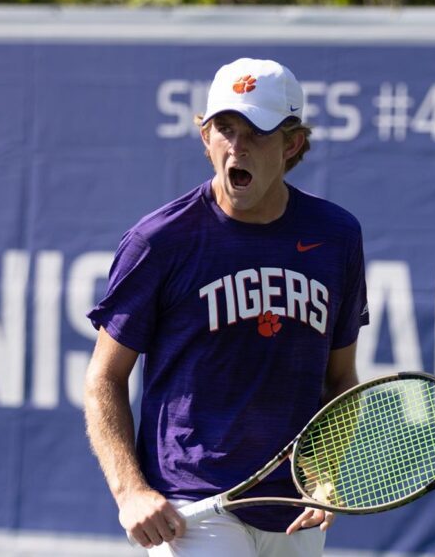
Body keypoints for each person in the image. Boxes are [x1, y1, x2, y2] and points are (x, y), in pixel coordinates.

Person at [84, 57, 370, 556]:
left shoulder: (336, 236)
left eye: (257, 133)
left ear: (291, 145)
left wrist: (325, 475)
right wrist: (130, 491)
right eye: (225, 129)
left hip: (294, 512)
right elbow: (104, 378)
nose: (237, 147)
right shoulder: (159, 241)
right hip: (193, 507)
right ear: (205, 137)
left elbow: (341, 379)